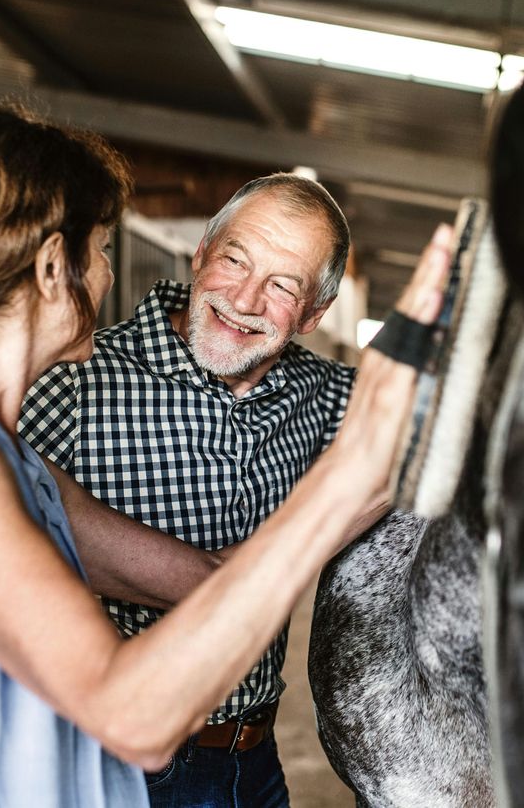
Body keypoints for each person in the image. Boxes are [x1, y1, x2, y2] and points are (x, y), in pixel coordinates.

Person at [0, 106, 453, 808]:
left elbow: (207, 578)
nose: (109, 274)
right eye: (103, 249)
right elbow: (132, 717)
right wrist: (345, 481)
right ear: (54, 268)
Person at [20, 173, 357, 806]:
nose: (245, 299)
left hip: (255, 762)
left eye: (283, 286)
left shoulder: (321, 393)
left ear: (314, 315)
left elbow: (433, 426)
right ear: (201, 254)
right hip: (115, 766)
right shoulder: (73, 383)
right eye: (235, 260)